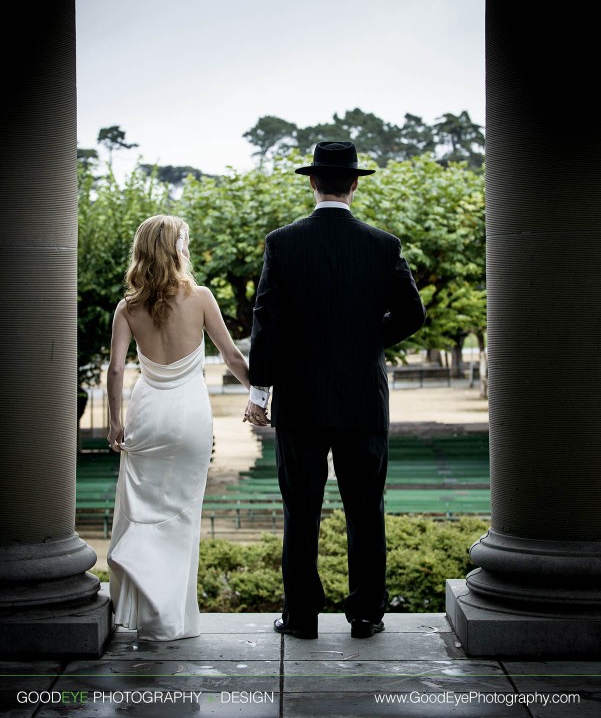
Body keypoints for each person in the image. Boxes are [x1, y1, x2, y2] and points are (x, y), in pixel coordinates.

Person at [244, 141, 426, 640]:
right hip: (363, 399)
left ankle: (301, 617)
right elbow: (413, 314)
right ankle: (366, 613)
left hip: (300, 400)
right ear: (355, 184)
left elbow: (267, 322)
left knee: (300, 512)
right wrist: (367, 339)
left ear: (311, 182)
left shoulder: (282, 242)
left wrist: (260, 393)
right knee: (366, 510)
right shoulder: (383, 245)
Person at [106, 214, 251, 641]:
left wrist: (115, 420)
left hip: (147, 412)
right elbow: (232, 358)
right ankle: (173, 621)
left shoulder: (127, 307)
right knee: (183, 517)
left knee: (143, 508)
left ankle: (148, 606)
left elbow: (116, 370)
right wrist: (260, 392)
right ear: (176, 248)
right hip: (189, 416)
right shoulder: (201, 297)